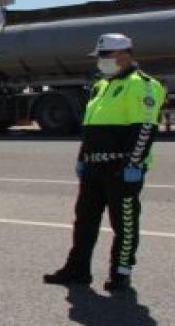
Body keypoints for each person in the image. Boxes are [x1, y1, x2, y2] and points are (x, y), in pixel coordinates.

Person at [44, 33, 166, 292]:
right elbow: (90, 129)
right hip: (93, 167)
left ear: (124, 54)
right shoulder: (102, 86)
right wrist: (82, 158)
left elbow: (144, 129)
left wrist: (133, 164)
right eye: (99, 56)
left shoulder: (142, 85)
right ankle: (77, 269)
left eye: (105, 55)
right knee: (84, 220)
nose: (101, 61)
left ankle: (121, 272)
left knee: (124, 222)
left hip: (120, 168)